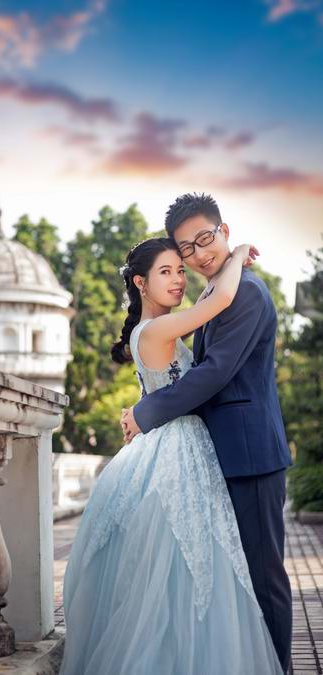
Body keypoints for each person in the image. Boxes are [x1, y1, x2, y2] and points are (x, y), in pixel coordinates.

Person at [59, 235, 283, 675]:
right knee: (180, 563)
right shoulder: (157, 329)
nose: (178, 279)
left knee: (190, 561)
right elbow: (221, 301)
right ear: (140, 283)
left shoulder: (159, 327)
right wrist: (236, 254)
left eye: (180, 270)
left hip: (180, 442)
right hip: (176, 448)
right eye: (166, 271)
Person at [121, 193, 293, 674]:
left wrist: (147, 410)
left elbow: (214, 373)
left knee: (263, 579)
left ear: (224, 232)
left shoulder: (245, 293)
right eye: (186, 249)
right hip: (224, 456)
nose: (198, 254)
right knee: (237, 579)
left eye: (205, 239)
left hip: (251, 456)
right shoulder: (214, 294)